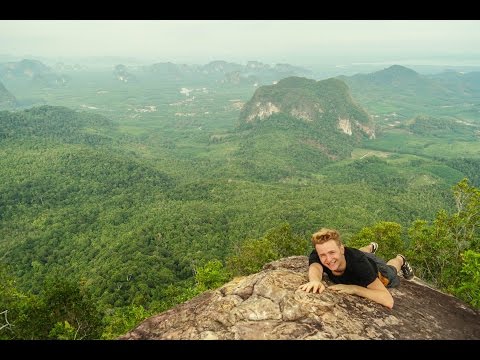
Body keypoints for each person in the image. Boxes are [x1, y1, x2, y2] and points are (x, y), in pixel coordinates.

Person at [298, 227, 414, 309]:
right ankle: (371, 247)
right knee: (360, 252)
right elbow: (315, 268)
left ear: (342, 249)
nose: (328, 259)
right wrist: (315, 281)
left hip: (379, 272)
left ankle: (401, 259)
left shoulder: (359, 265)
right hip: (360, 256)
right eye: (323, 255)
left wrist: (354, 289)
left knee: (392, 268)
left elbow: (388, 301)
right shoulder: (319, 253)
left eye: (332, 252)